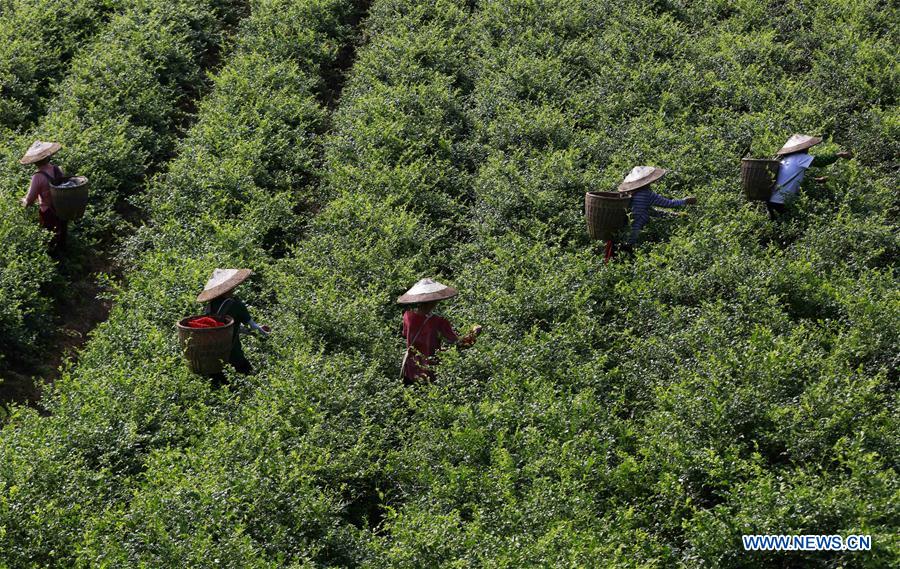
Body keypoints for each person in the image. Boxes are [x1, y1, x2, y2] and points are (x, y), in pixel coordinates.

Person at [397, 278, 481, 386]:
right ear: (434, 301)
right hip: (430, 373)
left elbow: (408, 336)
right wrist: (474, 333)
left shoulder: (407, 316)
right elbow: (460, 344)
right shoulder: (438, 322)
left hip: (410, 371)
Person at [196, 268, 270, 382]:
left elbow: (226, 327)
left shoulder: (211, 304)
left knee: (218, 386)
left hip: (212, 356)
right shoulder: (237, 305)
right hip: (233, 355)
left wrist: (252, 331)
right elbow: (253, 327)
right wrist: (266, 335)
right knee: (251, 379)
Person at [767, 134, 853, 218]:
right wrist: (839, 154)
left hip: (770, 198)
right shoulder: (801, 158)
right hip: (781, 200)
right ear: (803, 149)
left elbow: (793, 178)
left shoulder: (787, 159)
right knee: (796, 220)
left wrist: (815, 180)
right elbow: (821, 161)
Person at [619, 166, 697, 247]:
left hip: (625, 229)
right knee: (632, 248)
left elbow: (649, 211)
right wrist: (685, 201)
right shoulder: (646, 194)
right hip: (636, 232)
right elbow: (668, 203)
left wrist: (672, 215)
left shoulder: (632, 193)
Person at [19, 140, 67, 249]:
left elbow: (30, 200)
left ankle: (54, 255)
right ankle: (65, 252)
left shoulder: (38, 177)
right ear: (48, 156)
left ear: (35, 162)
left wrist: (23, 202)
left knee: (50, 239)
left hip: (48, 212)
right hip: (62, 208)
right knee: (62, 234)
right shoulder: (58, 169)